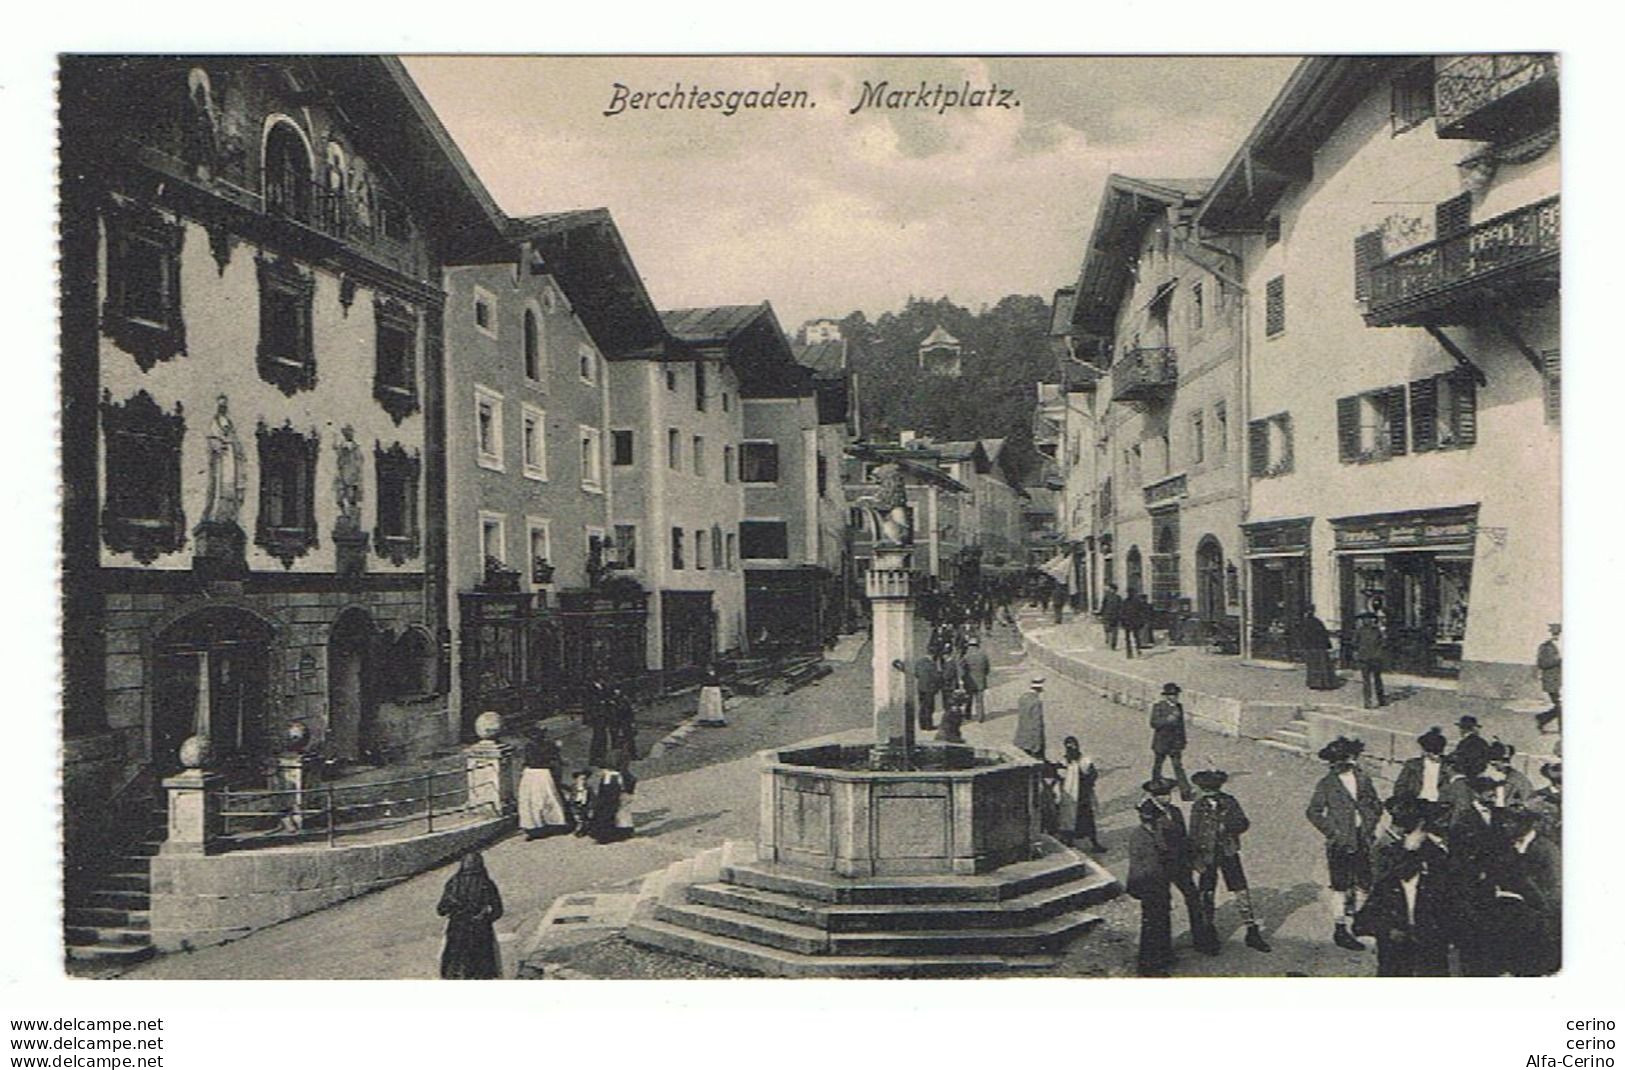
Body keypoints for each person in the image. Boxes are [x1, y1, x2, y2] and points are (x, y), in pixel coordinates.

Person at [1353, 798, 1451, 977]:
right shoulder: (1388, 850)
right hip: (1397, 925)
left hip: (1421, 929)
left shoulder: (1428, 853)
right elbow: (1376, 891)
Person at [1305, 737, 1382, 951]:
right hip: (1340, 842)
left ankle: (1360, 921)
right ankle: (1340, 929)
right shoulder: (1327, 783)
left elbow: (1375, 803)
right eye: (1334, 761)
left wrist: (1370, 821)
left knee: (1364, 881)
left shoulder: (1363, 779)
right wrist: (1333, 832)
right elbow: (1313, 812)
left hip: (1363, 837)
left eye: (1342, 759)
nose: (1336, 764)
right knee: (1340, 885)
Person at [1188, 769, 1271, 953]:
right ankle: (1208, 933)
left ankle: (1252, 931)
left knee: (1240, 890)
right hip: (1207, 854)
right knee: (1207, 893)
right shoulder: (1199, 806)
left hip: (1228, 851)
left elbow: (1243, 823)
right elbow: (1193, 833)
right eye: (1207, 790)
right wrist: (1195, 858)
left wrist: (1228, 826)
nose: (1209, 793)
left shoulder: (1229, 801)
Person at [1142, 776, 1210, 953]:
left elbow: (1184, 838)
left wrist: (1193, 859)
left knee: (1194, 899)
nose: (1166, 797)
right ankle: (1163, 949)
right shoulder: (1148, 813)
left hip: (1180, 863)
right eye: (1161, 795)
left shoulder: (1175, 811)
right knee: (1162, 906)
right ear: (1153, 796)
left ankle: (1201, 940)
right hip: (1161, 866)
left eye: (1167, 793)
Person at [1494, 808, 1561, 976]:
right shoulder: (1508, 846)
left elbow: (1553, 891)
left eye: (1511, 822)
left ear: (1527, 824)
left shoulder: (1546, 850)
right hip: (1514, 922)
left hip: (1539, 923)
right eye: (1505, 821)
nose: (1506, 826)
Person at [1127, 798, 1175, 977]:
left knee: (1161, 921)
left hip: (1156, 885)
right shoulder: (1143, 838)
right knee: (1152, 926)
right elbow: (1151, 867)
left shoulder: (1148, 832)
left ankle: (1163, 955)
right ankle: (1149, 966)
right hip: (1151, 886)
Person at [437, 851, 503, 979]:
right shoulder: (486, 883)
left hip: (457, 931)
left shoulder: (453, 882)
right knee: (481, 972)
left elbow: (441, 910)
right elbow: (498, 911)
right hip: (481, 933)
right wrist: (484, 918)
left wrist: (454, 910)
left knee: (455, 969)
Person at [517, 727, 570, 840]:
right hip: (542, 773)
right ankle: (550, 823)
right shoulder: (549, 745)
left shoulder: (529, 746)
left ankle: (535, 826)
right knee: (545, 799)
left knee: (532, 801)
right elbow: (555, 760)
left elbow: (527, 761)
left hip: (532, 774)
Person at [1056, 736, 1105, 853]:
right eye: (1069, 746)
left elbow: (1093, 775)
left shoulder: (1085, 761)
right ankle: (1069, 841)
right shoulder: (1063, 763)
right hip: (1070, 797)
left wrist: (1087, 781)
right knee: (1068, 819)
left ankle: (1094, 843)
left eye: (1073, 746)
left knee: (1087, 819)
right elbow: (1057, 777)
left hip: (1083, 797)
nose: (1072, 749)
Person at [1149, 682, 1193, 801]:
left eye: (1176, 694)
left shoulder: (1179, 707)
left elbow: (1181, 726)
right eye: (1173, 695)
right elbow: (1154, 723)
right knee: (1158, 765)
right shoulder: (1158, 707)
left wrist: (1183, 740)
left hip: (1175, 743)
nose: (1175, 697)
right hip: (1161, 743)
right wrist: (1168, 720)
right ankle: (1155, 787)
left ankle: (1185, 792)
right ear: (1167, 696)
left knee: (1178, 766)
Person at [1393, 727, 1449, 803]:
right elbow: (1400, 787)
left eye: (1436, 753)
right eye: (1431, 752)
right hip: (1417, 804)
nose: (1435, 756)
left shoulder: (1449, 766)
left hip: (1440, 806)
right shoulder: (1413, 765)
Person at [1352, 612, 1387, 709]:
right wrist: (1357, 654)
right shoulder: (1359, 631)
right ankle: (1367, 701)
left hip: (1375, 658)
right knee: (1366, 681)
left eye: (1368, 619)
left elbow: (1382, 643)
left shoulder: (1377, 631)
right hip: (1364, 658)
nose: (1366, 621)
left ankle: (1381, 699)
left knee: (1377, 679)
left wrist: (1379, 654)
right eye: (1364, 619)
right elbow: (1354, 643)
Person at [1485, 742, 1533, 810]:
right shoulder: (1516, 776)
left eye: (1494, 765)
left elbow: (1503, 803)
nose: (1494, 768)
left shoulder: (1512, 779)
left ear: (1503, 762)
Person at [1300, 609, 1337, 691]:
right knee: (1322, 665)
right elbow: (1324, 634)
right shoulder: (1318, 622)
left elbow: (1304, 636)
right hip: (1320, 647)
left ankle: (1316, 683)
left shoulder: (1307, 623)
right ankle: (1326, 683)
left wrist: (1304, 646)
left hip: (1313, 647)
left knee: (1314, 666)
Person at [1535, 623, 1561, 732]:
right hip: (1552, 682)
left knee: (1561, 706)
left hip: (1560, 681)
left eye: (1558, 633)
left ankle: (1543, 718)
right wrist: (1559, 660)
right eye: (1554, 633)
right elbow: (1542, 663)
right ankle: (1544, 719)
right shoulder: (1545, 647)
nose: (1556, 635)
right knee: (1561, 706)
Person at [1014, 676, 1047, 761]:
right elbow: (1037, 723)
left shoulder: (1022, 698)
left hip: (1021, 737)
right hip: (1032, 740)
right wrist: (1038, 744)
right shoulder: (1036, 702)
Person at [961, 638, 991, 723]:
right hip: (980, 680)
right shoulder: (983, 655)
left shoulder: (966, 655)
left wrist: (963, 677)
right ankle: (980, 717)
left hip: (969, 681)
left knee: (968, 699)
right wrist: (982, 675)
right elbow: (987, 669)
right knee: (979, 700)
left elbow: (961, 667)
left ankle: (967, 715)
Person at [913, 653, 942, 732]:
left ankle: (922, 725)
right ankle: (929, 725)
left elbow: (916, 673)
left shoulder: (919, 662)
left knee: (922, 706)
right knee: (929, 707)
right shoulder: (932, 664)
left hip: (921, 687)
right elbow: (935, 676)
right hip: (929, 688)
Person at [1120, 591, 1147, 659]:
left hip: (1128, 622)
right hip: (1134, 622)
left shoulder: (1125, 602)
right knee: (1136, 637)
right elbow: (1142, 612)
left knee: (1128, 638)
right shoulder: (1137, 602)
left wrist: (1122, 621)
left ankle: (1129, 653)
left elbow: (1121, 612)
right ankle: (1137, 651)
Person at [1100, 582, 1123, 651]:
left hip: (1113, 616)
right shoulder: (1107, 597)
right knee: (1108, 630)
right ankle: (1109, 641)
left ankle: (1113, 644)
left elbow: (1120, 607)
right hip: (1108, 616)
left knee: (1114, 631)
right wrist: (1101, 613)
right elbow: (1103, 606)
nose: (1110, 590)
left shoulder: (1118, 598)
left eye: (1111, 589)